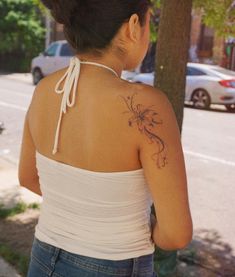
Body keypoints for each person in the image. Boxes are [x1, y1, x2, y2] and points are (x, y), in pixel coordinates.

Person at [18, 1, 193, 276]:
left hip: (43, 257)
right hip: (115, 263)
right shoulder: (146, 105)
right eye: (150, 22)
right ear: (133, 26)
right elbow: (176, 233)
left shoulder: (45, 89)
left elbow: (28, 177)